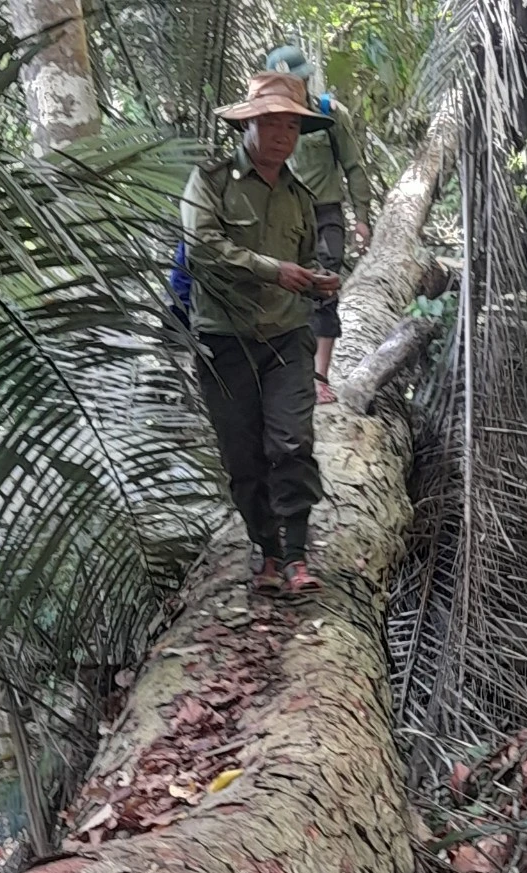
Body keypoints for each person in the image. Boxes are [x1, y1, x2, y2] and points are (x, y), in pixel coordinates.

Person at [180, 72, 340, 596]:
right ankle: (265, 551)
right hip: (224, 339)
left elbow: (306, 259)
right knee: (242, 453)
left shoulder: (300, 194)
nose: (282, 135)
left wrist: (319, 283)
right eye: (271, 123)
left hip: (286, 337)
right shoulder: (212, 181)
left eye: (291, 126)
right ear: (248, 126)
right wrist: (273, 270)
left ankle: (296, 555)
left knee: (292, 441)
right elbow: (200, 246)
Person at [265, 45, 374, 404]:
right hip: (280, 214)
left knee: (324, 290)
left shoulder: (330, 115)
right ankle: (283, 373)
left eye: (295, 82)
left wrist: (361, 218)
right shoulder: (262, 120)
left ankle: (319, 376)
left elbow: (354, 166)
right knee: (280, 290)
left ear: (307, 79)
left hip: (325, 213)